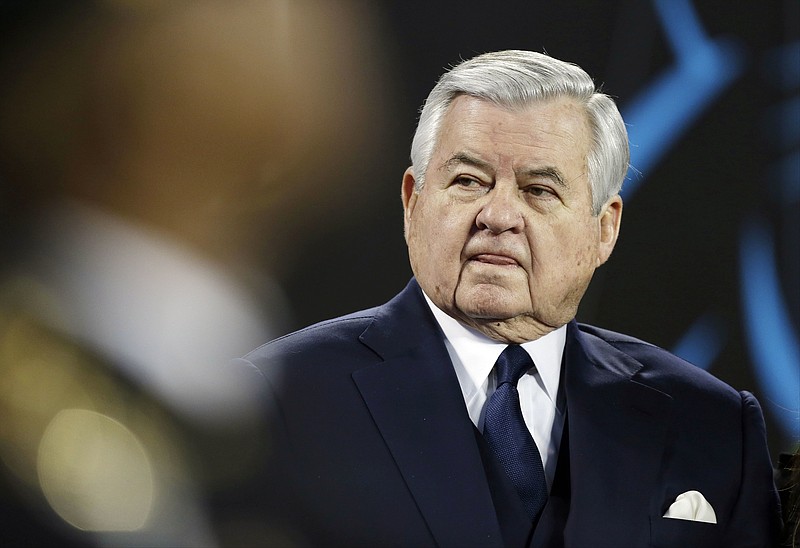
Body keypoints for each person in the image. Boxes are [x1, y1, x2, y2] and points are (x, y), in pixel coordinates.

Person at [229, 50, 782, 547]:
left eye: (539, 191)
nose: (497, 216)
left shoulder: (711, 425)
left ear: (604, 230)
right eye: (468, 180)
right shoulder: (274, 404)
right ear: (412, 202)